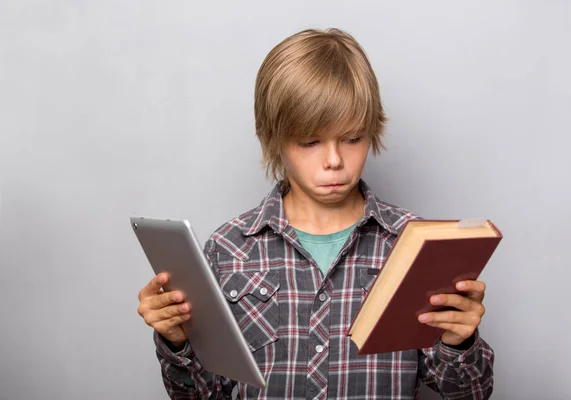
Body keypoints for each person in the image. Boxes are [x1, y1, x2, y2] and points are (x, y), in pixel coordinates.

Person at [137, 27, 494, 399]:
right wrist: (176, 342)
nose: (335, 160)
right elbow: (199, 395)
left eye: (353, 138)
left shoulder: (412, 243)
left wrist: (459, 341)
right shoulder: (229, 249)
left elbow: (469, 394)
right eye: (310, 142)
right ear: (274, 139)